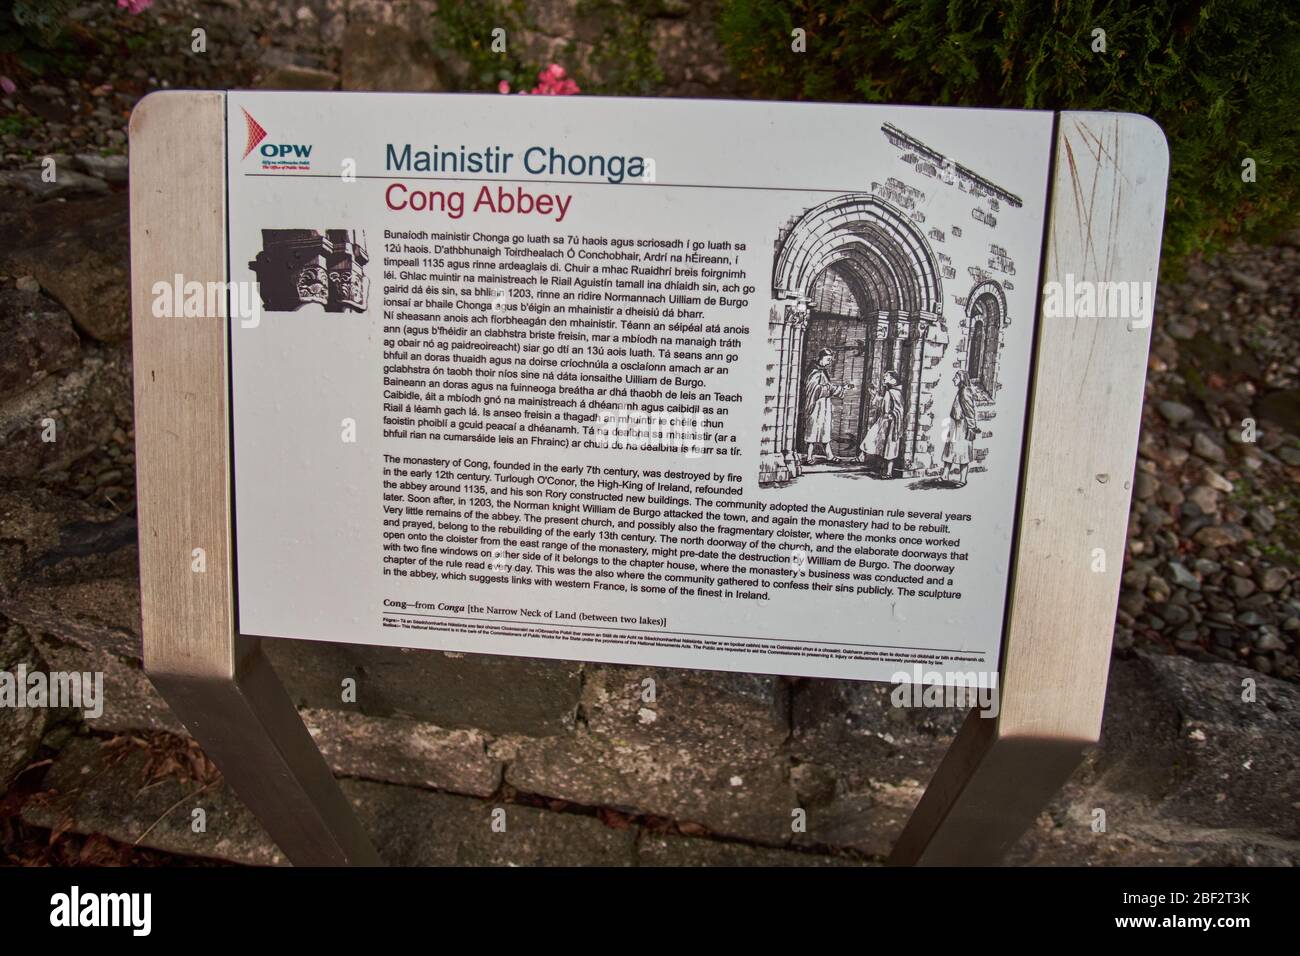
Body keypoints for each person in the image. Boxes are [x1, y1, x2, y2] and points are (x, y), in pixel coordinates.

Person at [802, 349, 855, 464]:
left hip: (824, 406)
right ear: (821, 358)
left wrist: (840, 389)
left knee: (824, 430)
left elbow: (827, 387)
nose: (829, 362)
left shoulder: (822, 371)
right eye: (828, 359)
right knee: (813, 430)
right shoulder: (814, 371)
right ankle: (809, 456)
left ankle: (829, 455)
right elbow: (814, 389)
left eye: (831, 360)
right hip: (816, 405)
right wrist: (833, 389)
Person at [858, 370, 904, 477]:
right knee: (872, 437)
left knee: (890, 446)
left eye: (886, 376)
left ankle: (888, 472)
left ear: (893, 379)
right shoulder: (889, 392)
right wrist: (875, 396)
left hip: (891, 422)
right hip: (883, 421)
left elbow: (899, 409)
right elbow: (885, 403)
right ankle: (863, 456)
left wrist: (891, 415)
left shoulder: (895, 392)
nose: (884, 378)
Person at [941, 369, 978, 486]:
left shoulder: (965, 392)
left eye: (956, 378)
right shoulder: (960, 391)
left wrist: (972, 427)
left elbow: (970, 412)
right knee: (950, 451)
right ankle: (944, 475)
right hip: (955, 425)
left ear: (961, 379)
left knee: (963, 453)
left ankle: (962, 479)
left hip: (962, 427)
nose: (953, 379)